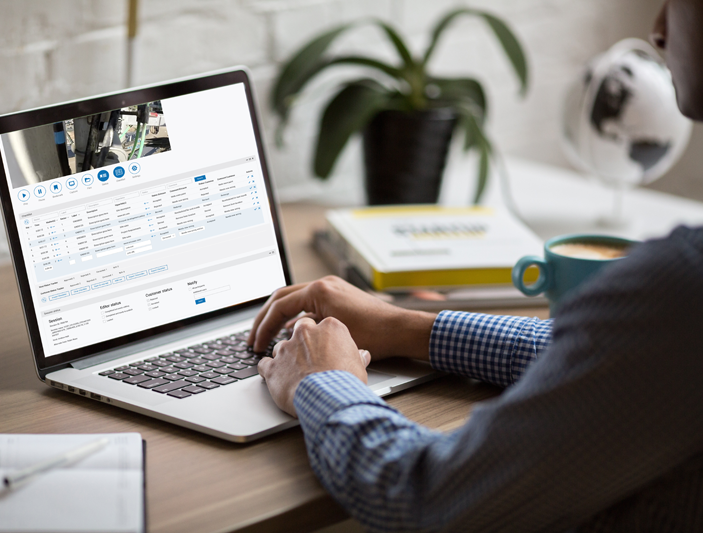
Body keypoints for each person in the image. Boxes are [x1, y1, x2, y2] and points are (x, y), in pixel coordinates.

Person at [249, 1, 703, 531]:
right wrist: (408, 326)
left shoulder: (681, 284)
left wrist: (322, 381)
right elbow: (623, 358)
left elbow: (428, 498)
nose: (658, 29)